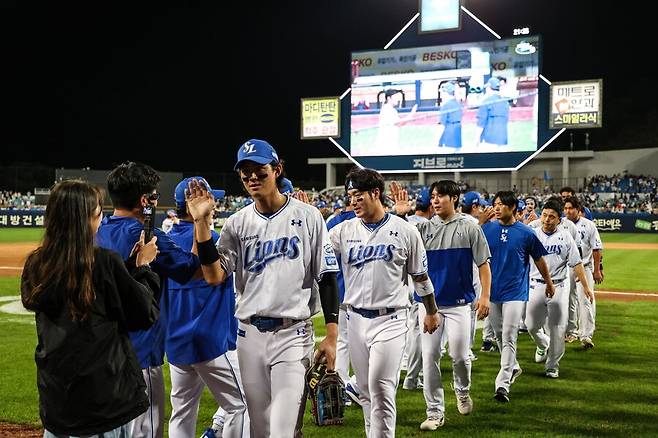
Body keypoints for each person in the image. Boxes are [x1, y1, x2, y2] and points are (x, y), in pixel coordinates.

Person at [186, 139, 341, 438]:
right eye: (245, 172)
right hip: (249, 336)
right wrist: (202, 224)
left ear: (277, 169)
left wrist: (332, 335)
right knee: (259, 429)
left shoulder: (308, 217)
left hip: (292, 334)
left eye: (259, 170)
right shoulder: (237, 222)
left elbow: (327, 276)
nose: (252, 177)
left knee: (283, 429)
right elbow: (214, 275)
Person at [21, 179, 160, 437]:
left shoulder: (36, 264)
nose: (101, 218)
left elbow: (84, 296)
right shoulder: (105, 262)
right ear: (85, 219)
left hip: (58, 399)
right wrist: (143, 268)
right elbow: (144, 313)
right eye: (98, 213)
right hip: (103, 403)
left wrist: (127, 268)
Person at [96, 161, 207, 438]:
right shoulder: (149, 237)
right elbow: (195, 270)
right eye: (154, 195)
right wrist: (199, 221)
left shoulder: (95, 231)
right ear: (144, 200)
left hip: (100, 356)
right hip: (141, 356)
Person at [328, 168, 441, 437]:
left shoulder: (405, 230)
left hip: (391, 319)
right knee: (366, 390)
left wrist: (431, 311)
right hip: (354, 318)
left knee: (380, 387)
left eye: (358, 195)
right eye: (350, 196)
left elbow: (420, 277)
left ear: (375, 193)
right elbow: (316, 258)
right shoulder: (342, 231)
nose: (352, 201)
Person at [166, 177, 249, 438]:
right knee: (241, 406)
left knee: (181, 412)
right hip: (212, 341)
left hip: (176, 342)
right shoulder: (213, 241)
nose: (214, 205)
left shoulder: (163, 243)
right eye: (210, 199)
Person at [407, 180, 492, 430]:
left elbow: (484, 265)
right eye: (432, 196)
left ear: (454, 198)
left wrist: (485, 296)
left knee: (459, 356)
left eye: (440, 196)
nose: (435, 200)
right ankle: (434, 411)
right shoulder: (422, 229)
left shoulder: (471, 227)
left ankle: (462, 390)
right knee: (429, 356)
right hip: (429, 305)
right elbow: (402, 237)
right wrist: (402, 213)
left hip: (458, 305)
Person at [482, 190, 554, 403]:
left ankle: (502, 385)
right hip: (493, 292)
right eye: (495, 204)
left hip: (515, 292)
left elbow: (539, 260)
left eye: (501, 204)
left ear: (513, 207)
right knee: (497, 335)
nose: (496, 207)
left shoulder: (525, 233)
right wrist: (479, 223)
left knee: (509, 335)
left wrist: (549, 283)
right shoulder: (487, 229)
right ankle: (513, 367)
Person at [525, 198, 594, 378]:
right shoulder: (532, 234)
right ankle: (542, 344)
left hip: (559, 286)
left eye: (552, 217)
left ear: (559, 219)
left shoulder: (565, 237)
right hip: (535, 285)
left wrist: (586, 287)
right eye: (545, 216)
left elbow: (576, 263)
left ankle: (552, 365)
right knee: (531, 325)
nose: (547, 220)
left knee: (557, 327)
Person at [326, 198, 362, 406]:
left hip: (339, 288)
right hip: (361, 292)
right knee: (363, 343)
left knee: (343, 342)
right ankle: (356, 386)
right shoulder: (366, 219)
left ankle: (342, 387)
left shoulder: (334, 221)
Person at [401, 187, 432, 391]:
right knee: (420, 332)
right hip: (421, 281)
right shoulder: (431, 226)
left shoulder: (405, 222)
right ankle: (412, 377)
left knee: (412, 330)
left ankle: (410, 373)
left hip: (403, 283)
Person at [564, 196, 604, 348]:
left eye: (570, 208)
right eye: (566, 208)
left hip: (585, 266)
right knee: (567, 300)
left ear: (578, 210)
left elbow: (596, 248)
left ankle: (586, 335)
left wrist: (598, 269)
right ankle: (571, 332)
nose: (568, 211)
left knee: (586, 300)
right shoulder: (561, 224)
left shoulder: (588, 225)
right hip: (567, 267)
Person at [461, 191, 497, 353]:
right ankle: (466, 349)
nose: (482, 210)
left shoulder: (457, 218)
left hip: (459, 273)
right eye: (480, 206)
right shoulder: (472, 222)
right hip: (471, 272)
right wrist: (481, 223)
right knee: (470, 313)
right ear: (474, 207)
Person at [476, 77, 510, 147]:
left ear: (489, 88)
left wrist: (477, 139)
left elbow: (481, 123)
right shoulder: (505, 102)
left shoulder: (486, 101)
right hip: (503, 139)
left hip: (489, 140)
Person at [437, 82, 463, 148]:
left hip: (448, 135)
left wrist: (437, 141)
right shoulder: (458, 104)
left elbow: (442, 125)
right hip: (458, 134)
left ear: (446, 92)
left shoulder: (445, 105)